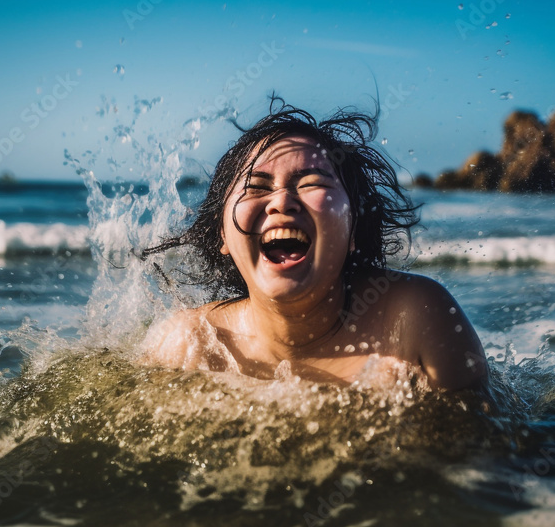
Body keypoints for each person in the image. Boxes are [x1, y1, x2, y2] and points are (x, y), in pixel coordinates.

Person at [140, 97, 487, 392]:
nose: (281, 202)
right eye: (257, 187)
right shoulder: (189, 345)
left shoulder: (414, 323)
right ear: (223, 236)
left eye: (311, 183)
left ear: (354, 231)